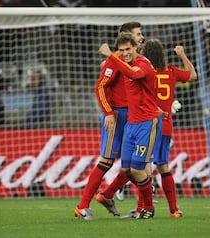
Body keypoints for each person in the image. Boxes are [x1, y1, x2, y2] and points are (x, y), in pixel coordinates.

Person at [74, 22, 144, 220]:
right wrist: (109, 113)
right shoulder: (114, 62)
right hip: (118, 116)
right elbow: (101, 87)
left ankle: (137, 207)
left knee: (135, 165)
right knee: (106, 161)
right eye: (138, 34)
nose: (142, 37)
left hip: (137, 117)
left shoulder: (141, 61)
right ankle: (82, 206)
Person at [120, 38, 197, 219]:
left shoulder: (144, 71)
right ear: (162, 54)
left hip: (147, 122)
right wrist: (182, 55)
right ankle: (174, 210)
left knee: (141, 167)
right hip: (166, 125)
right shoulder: (171, 71)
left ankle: (143, 208)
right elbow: (192, 75)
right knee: (163, 167)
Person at [95, 32, 162, 219]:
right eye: (121, 50)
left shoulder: (143, 64)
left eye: (128, 49)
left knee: (138, 169)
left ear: (136, 48)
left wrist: (110, 56)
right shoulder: (125, 64)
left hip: (146, 124)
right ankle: (143, 190)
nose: (125, 53)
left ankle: (147, 208)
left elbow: (134, 74)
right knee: (126, 170)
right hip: (131, 125)